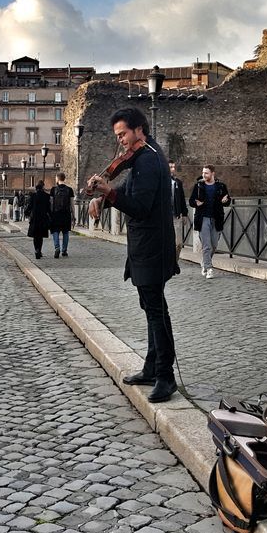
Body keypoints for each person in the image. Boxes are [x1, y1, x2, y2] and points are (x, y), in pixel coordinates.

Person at [86, 107, 180, 402]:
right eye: (117, 136)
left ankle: (166, 376)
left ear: (139, 129)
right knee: (150, 307)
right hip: (144, 245)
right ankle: (152, 367)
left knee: (156, 311)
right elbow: (127, 188)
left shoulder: (150, 160)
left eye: (123, 134)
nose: (121, 142)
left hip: (153, 246)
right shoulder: (141, 160)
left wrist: (108, 192)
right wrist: (104, 198)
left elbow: (139, 206)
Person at [189, 164, 231, 279]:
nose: (204, 175)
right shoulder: (198, 186)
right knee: (206, 246)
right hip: (203, 218)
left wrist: (225, 201)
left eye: (206, 173)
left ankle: (204, 262)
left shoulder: (221, 186)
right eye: (203, 172)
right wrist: (196, 203)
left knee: (214, 245)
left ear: (213, 173)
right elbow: (191, 201)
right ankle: (209, 268)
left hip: (217, 218)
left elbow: (227, 201)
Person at [48, 172, 74, 258]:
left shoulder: (53, 189)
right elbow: (72, 204)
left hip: (55, 214)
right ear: (64, 179)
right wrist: (73, 216)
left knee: (55, 231)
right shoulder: (70, 190)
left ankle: (57, 247)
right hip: (66, 214)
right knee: (65, 232)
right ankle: (64, 250)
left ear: (58, 179)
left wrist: (50, 214)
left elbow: (51, 203)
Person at [26, 180, 51, 259]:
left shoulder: (33, 196)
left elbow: (29, 206)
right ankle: (39, 250)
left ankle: (36, 250)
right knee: (40, 236)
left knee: (35, 236)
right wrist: (51, 216)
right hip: (43, 218)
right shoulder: (46, 196)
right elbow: (48, 208)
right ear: (43, 187)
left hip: (35, 218)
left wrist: (26, 213)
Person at [169, 163, 190, 255]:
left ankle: (174, 264)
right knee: (167, 244)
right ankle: (168, 266)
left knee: (178, 244)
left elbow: (182, 199)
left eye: (174, 167)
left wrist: (184, 214)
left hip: (176, 216)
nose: (173, 169)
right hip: (163, 217)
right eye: (170, 167)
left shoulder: (178, 182)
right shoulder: (160, 181)